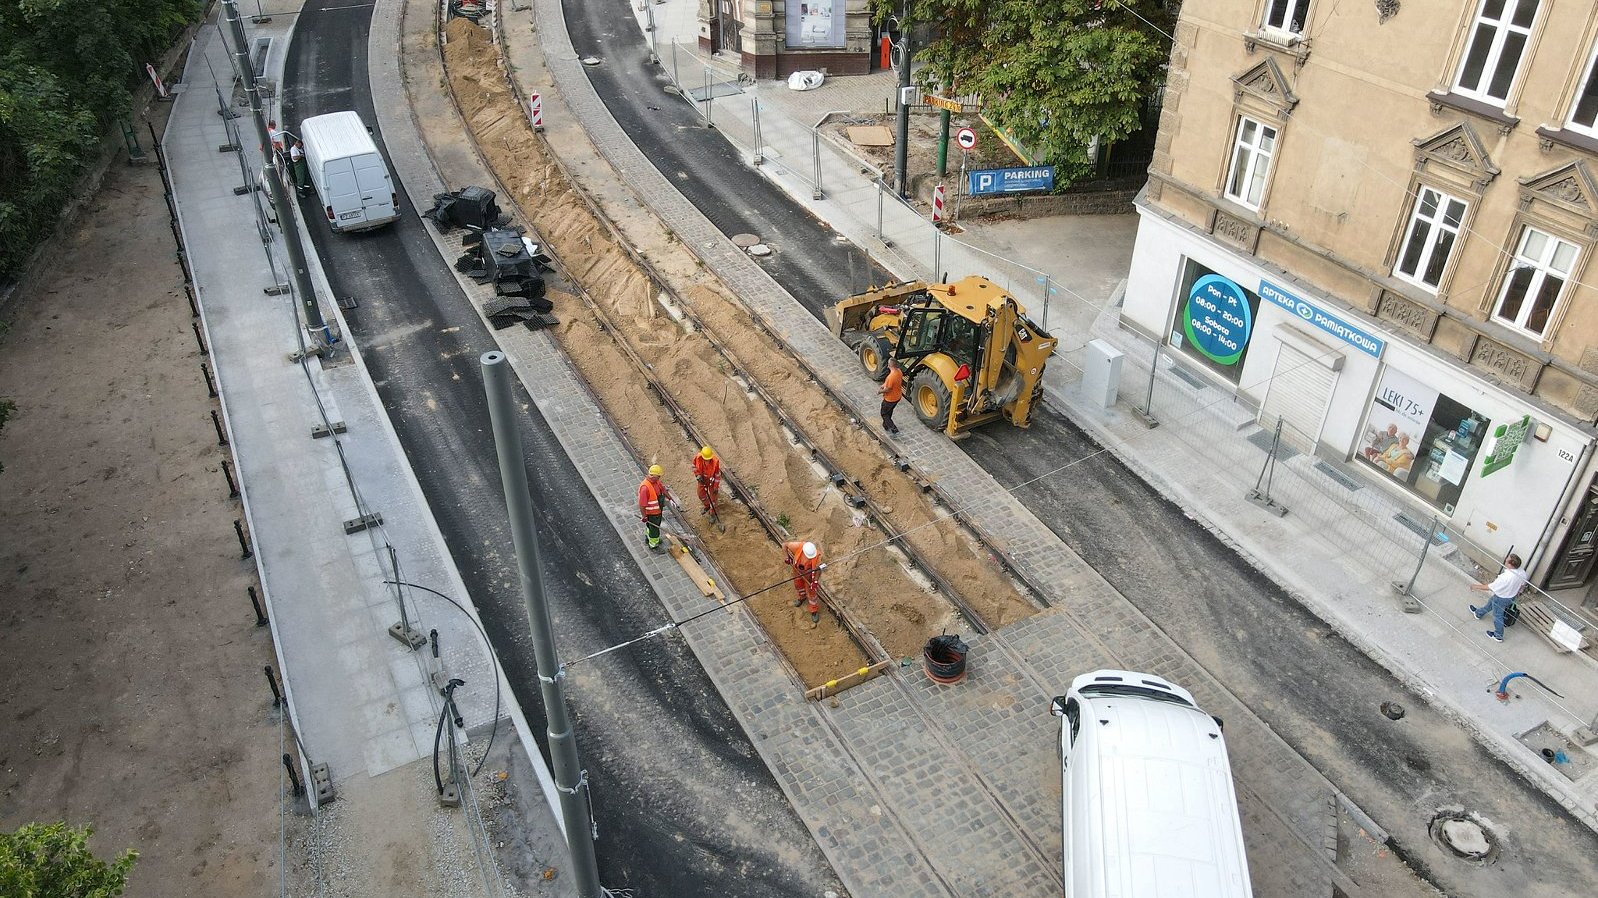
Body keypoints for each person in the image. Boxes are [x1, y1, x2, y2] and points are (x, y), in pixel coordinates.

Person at [1470, 553, 1529, 642]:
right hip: (1511, 596)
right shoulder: (1522, 572)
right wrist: (1517, 593)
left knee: (1498, 615)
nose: (1505, 560)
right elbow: (1522, 585)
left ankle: (1498, 635)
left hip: (1501, 597)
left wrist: (1476, 586)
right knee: (1491, 602)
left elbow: (1490, 587)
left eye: (1507, 559)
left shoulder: (1504, 578)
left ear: (1510, 564)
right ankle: (1479, 613)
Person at [783, 540, 824, 628]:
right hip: (798, 571)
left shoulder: (817, 557)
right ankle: (801, 597)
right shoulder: (797, 546)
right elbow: (784, 545)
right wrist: (787, 557)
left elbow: (818, 570)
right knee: (798, 586)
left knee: (811, 593)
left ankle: (813, 610)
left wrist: (815, 581)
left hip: (809, 576)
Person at [638, 464, 673, 551]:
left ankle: (649, 537)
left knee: (651, 526)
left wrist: (670, 499)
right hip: (652, 513)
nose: (659, 478)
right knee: (655, 530)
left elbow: (663, 490)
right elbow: (642, 505)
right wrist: (644, 516)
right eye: (658, 476)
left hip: (657, 511)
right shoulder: (645, 488)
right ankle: (653, 545)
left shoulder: (656, 481)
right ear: (653, 476)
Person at [692, 446, 722, 521]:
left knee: (713, 499)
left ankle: (713, 514)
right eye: (706, 459)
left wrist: (715, 487)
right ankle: (707, 505)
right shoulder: (698, 458)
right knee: (701, 495)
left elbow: (717, 475)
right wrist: (697, 475)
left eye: (708, 459)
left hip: (712, 481)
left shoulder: (715, 462)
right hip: (702, 480)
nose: (707, 460)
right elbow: (694, 466)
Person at [879, 358, 904, 434]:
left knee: (884, 413)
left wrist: (880, 391)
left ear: (889, 365)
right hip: (897, 397)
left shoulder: (891, 377)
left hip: (890, 399)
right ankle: (885, 425)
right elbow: (889, 385)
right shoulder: (899, 372)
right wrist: (884, 385)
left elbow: (888, 389)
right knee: (889, 412)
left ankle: (894, 429)